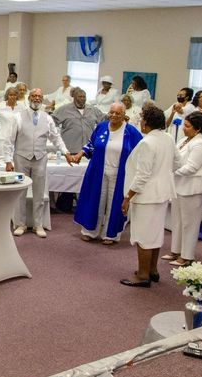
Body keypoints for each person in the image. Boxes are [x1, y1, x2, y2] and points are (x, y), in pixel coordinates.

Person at [2, 88, 73, 238]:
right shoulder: (18, 117)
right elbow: (9, 140)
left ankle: (38, 224)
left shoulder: (47, 118)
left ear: (42, 99)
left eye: (39, 96)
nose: (36, 98)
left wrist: (66, 152)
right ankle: (20, 224)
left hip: (40, 158)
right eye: (34, 96)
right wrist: (8, 160)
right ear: (29, 98)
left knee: (39, 193)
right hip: (21, 157)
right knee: (20, 192)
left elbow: (56, 137)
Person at [120, 105, 177, 287]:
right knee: (155, 234)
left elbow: (142, 175)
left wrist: (128, 197)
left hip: (146, 196)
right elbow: (178, 162)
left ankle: (143, 275)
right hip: (162, 194)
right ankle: (153, 270)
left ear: (146, 123)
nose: (140, 122)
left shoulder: (147, 143)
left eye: (141, 119)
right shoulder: (168, 138)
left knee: (143, 236)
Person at [72, 103, 143, 245]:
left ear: (124, 115)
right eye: (112, 112)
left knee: (114, 203)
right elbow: (91, 144)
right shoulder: (101, 126)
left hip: (119, 174)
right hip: (98, 171)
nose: (114, 115)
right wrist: (80, 154)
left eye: (118, 113)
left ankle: (110, 235)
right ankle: (90, 231)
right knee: (95, 200)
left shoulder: (131, 132)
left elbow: (141, 151)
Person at [165, 111, 202, 267]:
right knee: (177, 221)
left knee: (189, 224)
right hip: (179, 186)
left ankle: (187, 256)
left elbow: (191, 167)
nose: (184, 128)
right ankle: (175, 251)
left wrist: (169, 171)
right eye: (184, 125)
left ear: (197, 129)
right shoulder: (184, 140)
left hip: (194, 188)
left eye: (187, 126)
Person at [53, 88, 104, 155]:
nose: (82, 99)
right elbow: (51, 122)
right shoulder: (64, 109)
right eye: (80, 96)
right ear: (74, 97)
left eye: (84, 97)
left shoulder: (93, 110)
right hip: (70, 151)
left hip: (88, 151)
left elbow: (104, 120)